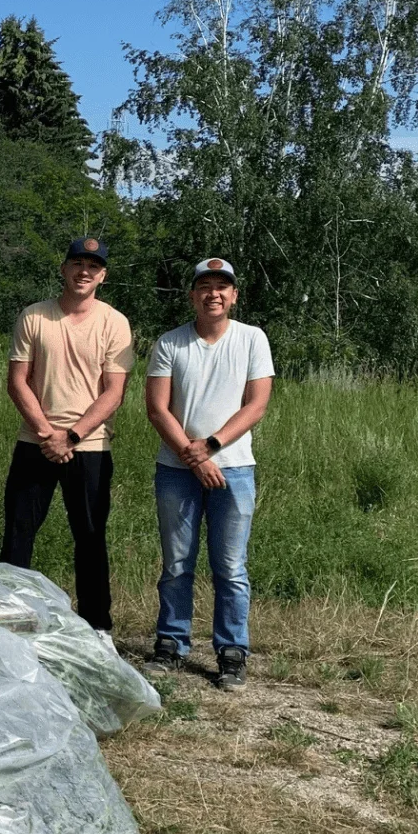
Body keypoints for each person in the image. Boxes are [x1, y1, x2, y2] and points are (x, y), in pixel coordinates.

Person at [144, 257, 274, 690]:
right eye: (205, 286)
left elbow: (255, 405)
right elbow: (157, 408)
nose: (213, 294)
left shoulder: (253, 339)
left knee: (230, 567)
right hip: (176, 470)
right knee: (178, 564)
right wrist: (192, 456)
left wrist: (212, 447)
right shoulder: (170, 343)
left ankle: (232, 652)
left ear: (234, 295)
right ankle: (171, 643)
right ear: (192, 295)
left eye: (222, 286)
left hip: (234, 469)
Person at [0, 237, 136, 630]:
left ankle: (97, 626)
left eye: (93, 266)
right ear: (63, 269)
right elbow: (17, 382)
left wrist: (71, 436)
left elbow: (114, 391)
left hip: (90, 445)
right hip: (35, 443)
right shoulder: (34, 317)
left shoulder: (114, 322)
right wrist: (47, 433)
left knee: (90, 538)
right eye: (77, 263)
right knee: (17, 535)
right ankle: (10, 619)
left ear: (103, 276)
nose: (84, 272)